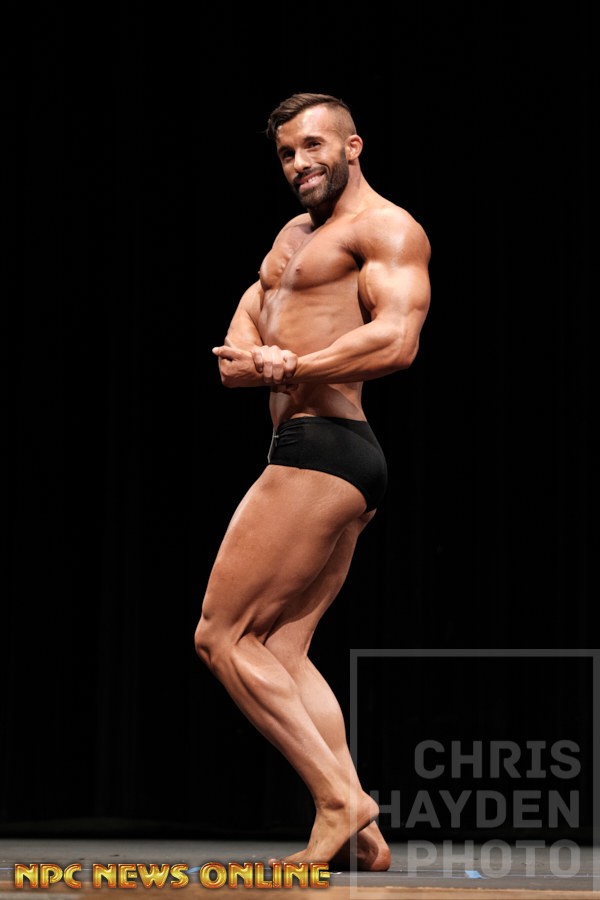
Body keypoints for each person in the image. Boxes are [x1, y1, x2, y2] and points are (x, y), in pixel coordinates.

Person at [194, 92, 431, 870]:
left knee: (221, 635)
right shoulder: (295, 236)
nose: (300, 163)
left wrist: (294, 366)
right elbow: (256, 307)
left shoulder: (386, 228)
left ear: (353, 146)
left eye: (314, 146)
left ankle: (337, 800)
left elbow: (396, 339)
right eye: (287, 153)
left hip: (323, 445)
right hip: (329, 454)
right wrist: (250, 349)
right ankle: (362, 831)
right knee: (284, 650)